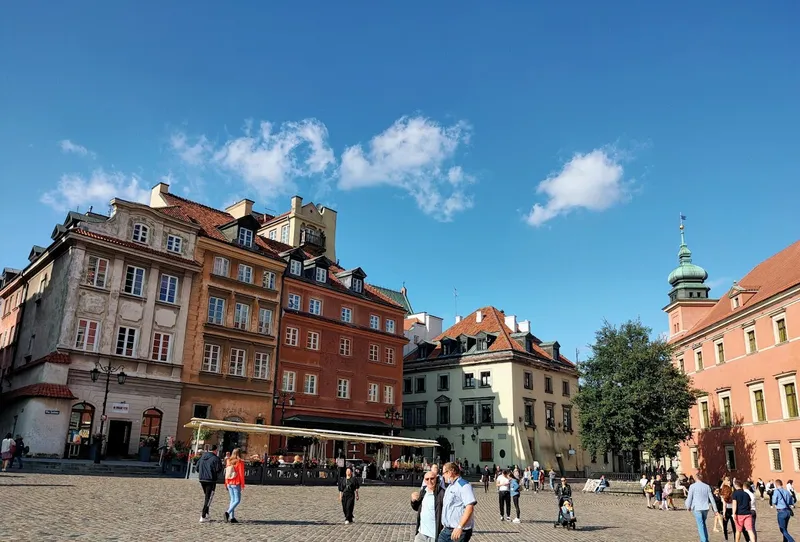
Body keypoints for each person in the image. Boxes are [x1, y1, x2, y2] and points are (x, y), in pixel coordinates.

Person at [439, 462, 476, 542]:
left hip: (459, 530)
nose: (443, 476)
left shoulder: (464, 486)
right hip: (447, 530)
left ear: (450, 472)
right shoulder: (450, 487)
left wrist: (460, 527)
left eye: (444, 473)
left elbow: (469, 507)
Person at [411, 469, 446, 542]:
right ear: (424, 480)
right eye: (427, 479)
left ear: (436, 479)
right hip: (421, 533)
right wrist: (413, 501)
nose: (429, 481)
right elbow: (417, 508)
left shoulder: (442, 493)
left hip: (434, 535)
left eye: (432, 478)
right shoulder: (423, 491)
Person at [686, 472, 720, 542]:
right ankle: (705, 539)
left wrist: (688, 506)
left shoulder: (692, 486)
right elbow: (712, 499)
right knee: (703, 523)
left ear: (696, 478)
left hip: (697, 507)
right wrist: (715, 510)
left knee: (700, 524)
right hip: (705, 507)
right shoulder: (707, 486)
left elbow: (689, 498)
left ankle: (704, 540)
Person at [197, 445, 224, 523]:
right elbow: (218, 469)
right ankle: (203, 515)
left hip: (202, 479)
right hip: (211, 480)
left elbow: (197, 468)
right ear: (215, 450)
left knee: (207, 496)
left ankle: (207, 514)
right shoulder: (216, 458)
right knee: (208, 498)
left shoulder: (202, 457)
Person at [224, 448, 245, 523]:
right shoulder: (240, 462)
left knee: (232, 500)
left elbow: (227, 473)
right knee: (237, 500)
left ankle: (232, 518)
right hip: (236, 483)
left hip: (229, 482)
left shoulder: (228, 461)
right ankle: (227, 513)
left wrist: (226, 483)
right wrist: (242, 484)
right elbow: (241, 474)